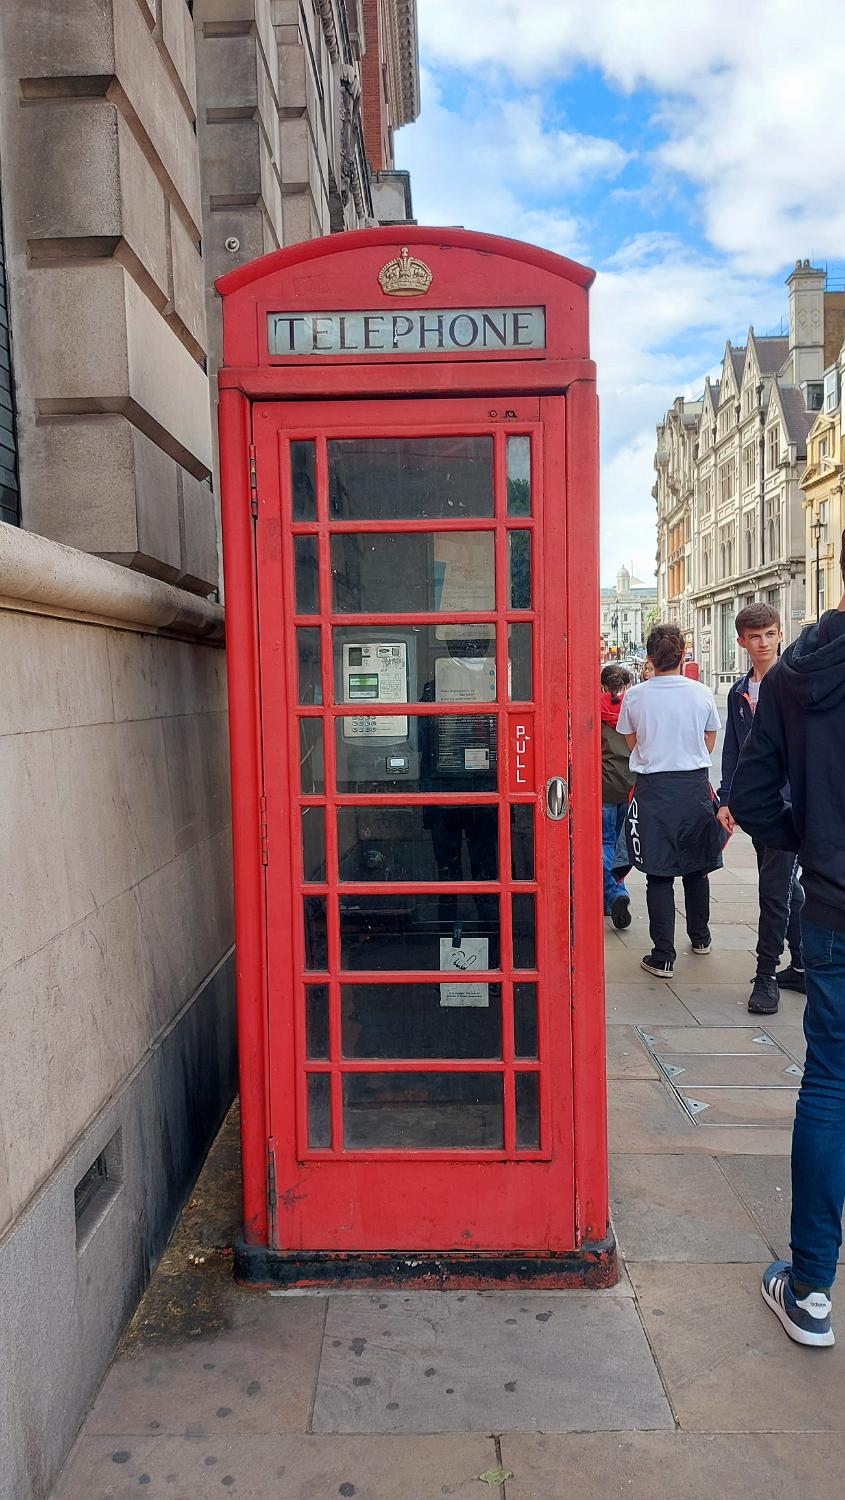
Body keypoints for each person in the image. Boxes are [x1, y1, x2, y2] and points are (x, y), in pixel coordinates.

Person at [730, 531, 845, 1348]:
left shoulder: (795, 675)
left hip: (833, 908)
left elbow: (749, 795)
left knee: (829, 1089)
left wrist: (807, 842)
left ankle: (808, 1292)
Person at [615, 623, 723, 978]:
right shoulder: (701, 692)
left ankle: (663, 956)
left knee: (659, 873)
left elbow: (631, 742)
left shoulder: (635, 696)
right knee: (696, 868)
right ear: (682, 654)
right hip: (694, 788)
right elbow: (709, 740)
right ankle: (701, 938)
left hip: (654, 790)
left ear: (649, 656)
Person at [716, 603, 805, 1015]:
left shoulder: (794, 685)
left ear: (781, 634)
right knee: (787, 889)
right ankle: (802, 965)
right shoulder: (739, 692)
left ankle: (766, 974)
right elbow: (734, 750)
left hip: (790, 805)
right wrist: (727, 798)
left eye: (770, 634)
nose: (764, 643)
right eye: (755, 636)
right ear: (742, 642)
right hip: (757, 808)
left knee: (773, 890)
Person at [600, 665, 634, 929]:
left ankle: (614, 893)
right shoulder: (633, 708)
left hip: (603, 786)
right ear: (625, 685)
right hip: (631, 785)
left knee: (605, 842)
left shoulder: (593, 708)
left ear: (602, 685)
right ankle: (611, 897)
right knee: (622, 845)